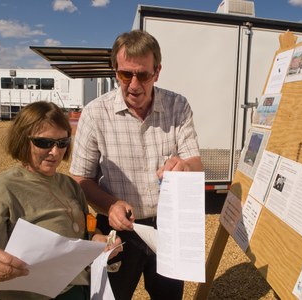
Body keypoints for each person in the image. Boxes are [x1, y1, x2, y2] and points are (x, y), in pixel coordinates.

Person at [70, 29, 203, 300]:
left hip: (166, 227)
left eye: (143, 75)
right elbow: (79, 179)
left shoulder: (178, 106)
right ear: (115, 71)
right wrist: (110, 205)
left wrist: (184, 168)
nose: (133, 84)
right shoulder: (95, 113)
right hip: (117, 230)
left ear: (157, 71)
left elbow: (195, 164)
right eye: (124, 74)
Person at [0, 101, 122, 300]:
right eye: (44, 143)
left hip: (79, 291)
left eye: (62, 143)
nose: (55, 152)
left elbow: (86, 231)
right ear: (22, 140)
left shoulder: (70, 185)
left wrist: (98, 241)